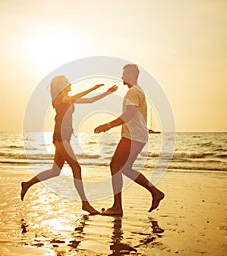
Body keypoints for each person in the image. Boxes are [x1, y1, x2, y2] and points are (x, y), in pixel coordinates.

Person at [21, 75, 118, 214]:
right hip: (60, 137)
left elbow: (90, 100)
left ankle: (27, 184)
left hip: (64, 137)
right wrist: (93, 87)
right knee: (76, 168)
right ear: (62, 86)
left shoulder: (68, 99)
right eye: (67, 83)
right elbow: (76, 96)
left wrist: (107, 92)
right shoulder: (60, 99)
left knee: (55, 171)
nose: (70, 84)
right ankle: (85, 204)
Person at [94, 64, 165, 216]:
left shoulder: (133, 92)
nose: (121, 77)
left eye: (124, 74)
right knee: (124, 168)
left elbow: (128, 115)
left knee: (115, 166)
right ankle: (155, 192)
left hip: (132, 136)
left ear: (132, 75)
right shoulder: (137, 91)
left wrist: (108, 125)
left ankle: (117, 207)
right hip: (138, 136)